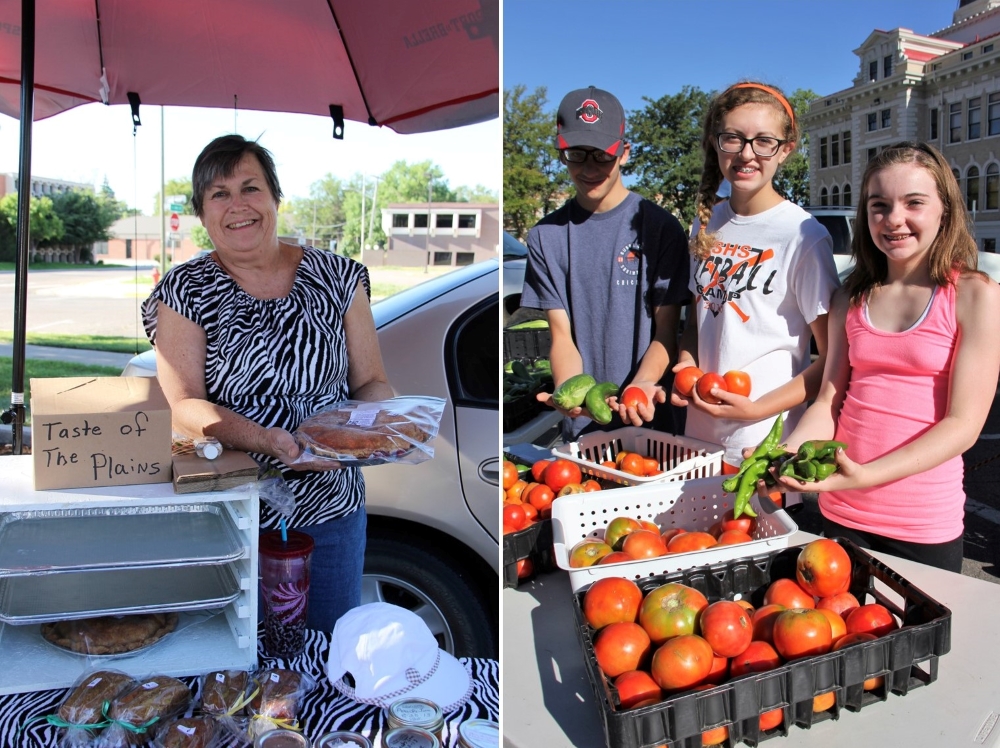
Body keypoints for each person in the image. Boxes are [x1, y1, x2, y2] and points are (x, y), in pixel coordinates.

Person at [141, 134, 395, 630]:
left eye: (250, 188)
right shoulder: (185, 289)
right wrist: (266, 441)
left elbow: (371, 382)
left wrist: (382, 424)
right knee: (230, 657)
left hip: (331, 507)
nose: (237, 205)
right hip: (226, 510)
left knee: (326, 651)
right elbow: (184, 403)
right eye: (219, 194)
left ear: (275, 196)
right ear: (202, 212)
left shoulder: (339, 278)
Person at [773, 142, 1000, 572]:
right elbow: (828, 401)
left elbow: (964, 426)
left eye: (914, 202)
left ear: (944, 210)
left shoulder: (974, 295)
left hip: (923, 524)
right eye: (879, 206)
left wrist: (864, 475)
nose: (894, 219)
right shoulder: (849, 297)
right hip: (841, 515)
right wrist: (789, 450)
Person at [672, 81, 840, 507]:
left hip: (763, 444)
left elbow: (835, 358)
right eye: (733, 138)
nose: (747, 154)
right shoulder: (704, 224)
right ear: (715, 144)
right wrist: (687, 364)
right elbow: (698, 320)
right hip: (698, 439)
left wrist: (758, 408)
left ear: (785, 149)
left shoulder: (803, 236)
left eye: (763, 141)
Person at [520, 86, 691, 440]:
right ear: (562, 153)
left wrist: (643, 383)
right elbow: (561, 336)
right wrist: (569, 392)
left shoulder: (661, 227)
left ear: (624, 153)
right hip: (584, 430)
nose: (589, 168)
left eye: (602, 155)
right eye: (577, 155)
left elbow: (665, 332)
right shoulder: (546, 236)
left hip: (652, 421)